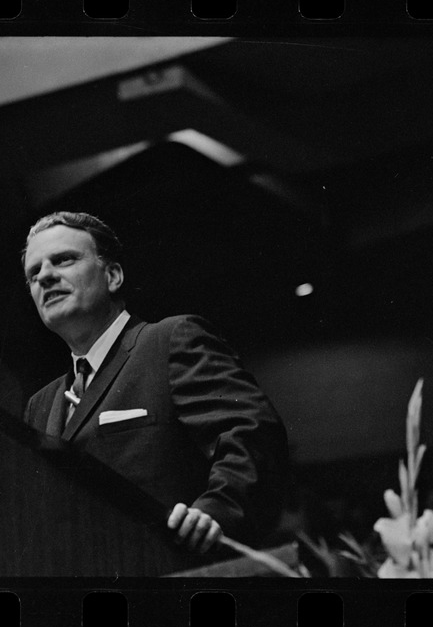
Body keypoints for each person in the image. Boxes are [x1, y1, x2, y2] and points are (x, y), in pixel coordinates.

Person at [22, 211, 288, 554]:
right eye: (33, 273)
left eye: (63, 260)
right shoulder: (39, 405)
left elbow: (252, 433)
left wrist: (217, 514)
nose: (45, 276)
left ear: (113, 275)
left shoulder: (170, 340)